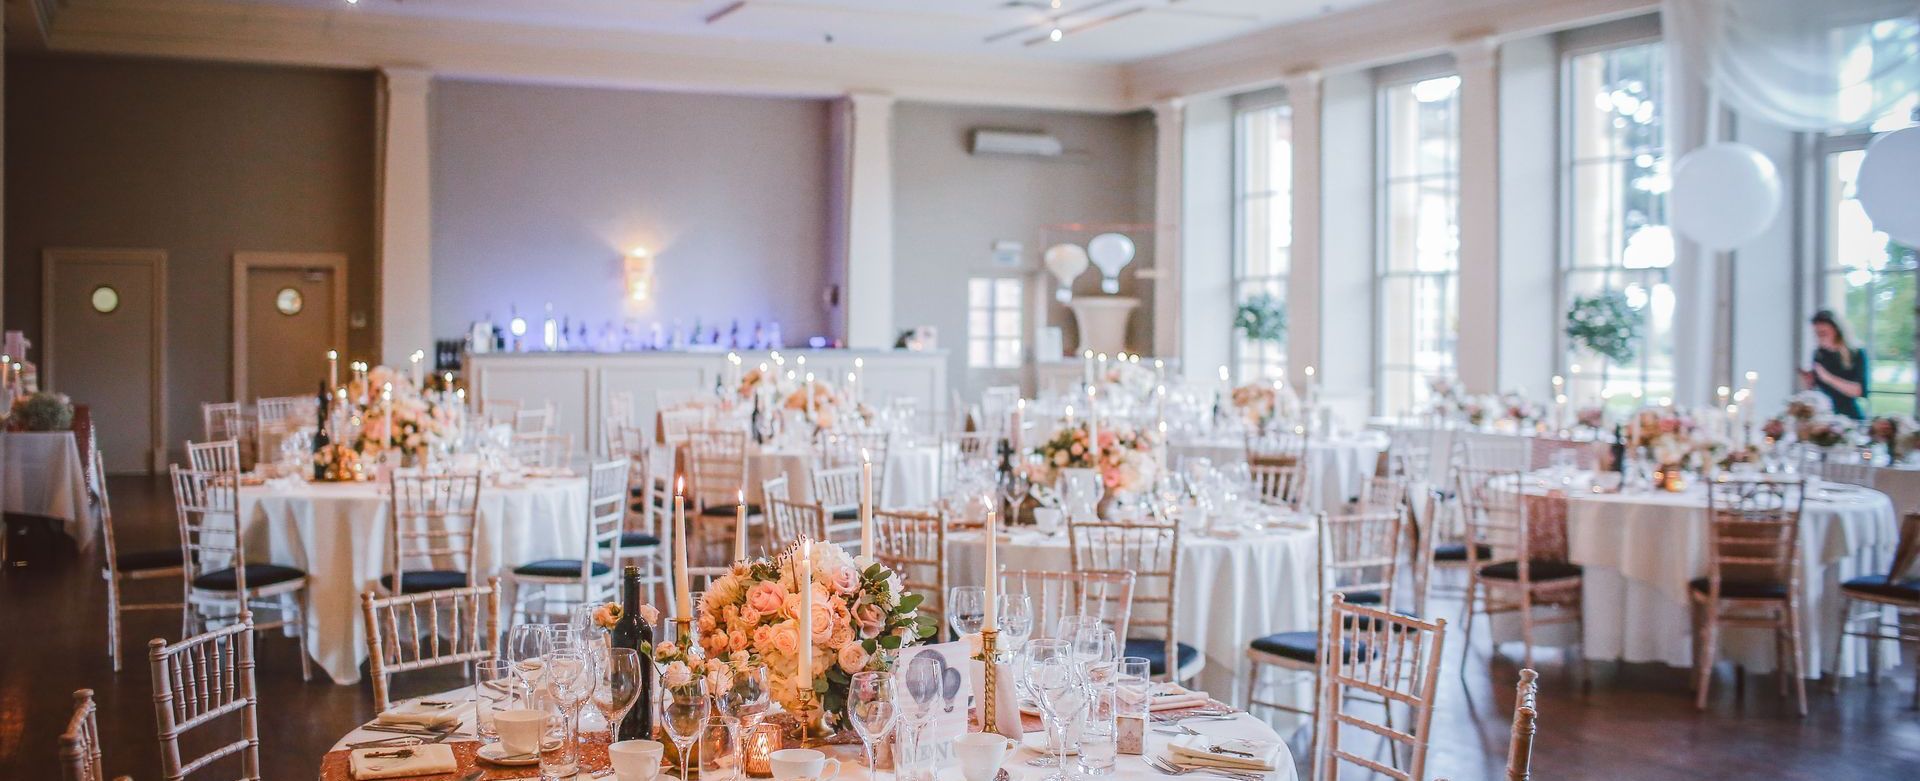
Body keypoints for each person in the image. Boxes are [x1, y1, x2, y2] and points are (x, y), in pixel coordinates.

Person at [1801, 310, 1868, 420]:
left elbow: (1858, 391)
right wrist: (1809, 382)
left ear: (1837, 331)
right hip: (1824, 416)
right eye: (1817, 334)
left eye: (1823, 333)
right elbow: (1817, 391)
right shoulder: (1819, 354)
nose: (1820, 337)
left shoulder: (1857, 353)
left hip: (1849, 417)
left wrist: (1827, 377)